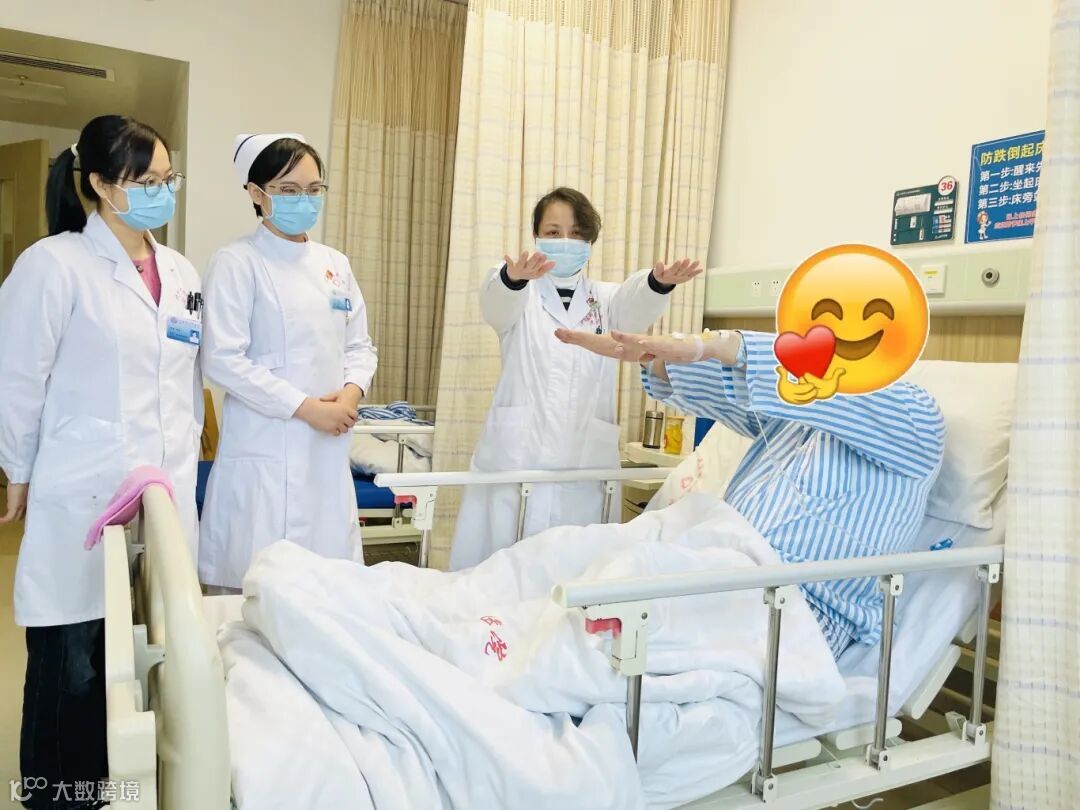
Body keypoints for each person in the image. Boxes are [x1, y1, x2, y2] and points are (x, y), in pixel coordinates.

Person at [0, 115, 201, 808]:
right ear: (100, 184)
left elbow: (183, 385)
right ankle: (55, 796)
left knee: (139, 655)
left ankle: (112, 787)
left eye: (167, 179)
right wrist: (17, 470)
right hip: (84, 488)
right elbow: (17, 379)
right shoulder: (53, 265)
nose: (160, 192)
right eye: (145, 181)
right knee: (72, 660)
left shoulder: (181, 272)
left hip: (165, 492)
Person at [554, 326, 945, 659]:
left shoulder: (916, 416)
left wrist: (724, 344)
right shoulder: (796, 419)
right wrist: (654, 360)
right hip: (723, 573)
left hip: (793, 607)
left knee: (620, 599)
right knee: (569, 556)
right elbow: (734, 393)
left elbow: (835, 390)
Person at [448, 187, 702, 570]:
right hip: (518, 458)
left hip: (583, 463)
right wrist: (512, 278)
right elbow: (496, 303)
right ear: (536, 236)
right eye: (553, 232)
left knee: (574, 574)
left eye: (576, 234)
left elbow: (635, 306)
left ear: (589, 242)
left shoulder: (606, 299)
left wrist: (657, 283)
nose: (565, 242)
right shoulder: (520, 292)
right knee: (499, 574)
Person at [198, 133, 377, 592]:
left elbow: (360, 347)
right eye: (289, 189)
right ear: (257, 194)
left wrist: (351, 394)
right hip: (266, 445)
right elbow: (222, 359)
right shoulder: (237, 262)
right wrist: (307, 408)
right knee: (256, 589)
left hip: (327, 445)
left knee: (328, 587)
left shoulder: (335, 264)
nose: (304, 199)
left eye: (314, 189)